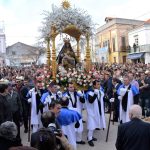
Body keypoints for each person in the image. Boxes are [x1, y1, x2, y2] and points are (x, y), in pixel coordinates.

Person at [85, 80, 106, 147]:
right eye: (97, 84)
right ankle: (89, 139)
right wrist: (95, 94)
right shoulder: (90, 92)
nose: (99, 85)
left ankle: (90, 136)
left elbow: (102, 99)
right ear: (94, 85)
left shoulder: (100, 92)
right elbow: (90, 101)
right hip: (91, 112)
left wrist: (109, 100)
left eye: (99, 84)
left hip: (98, 111)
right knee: (91, 126)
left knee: (94, 125)